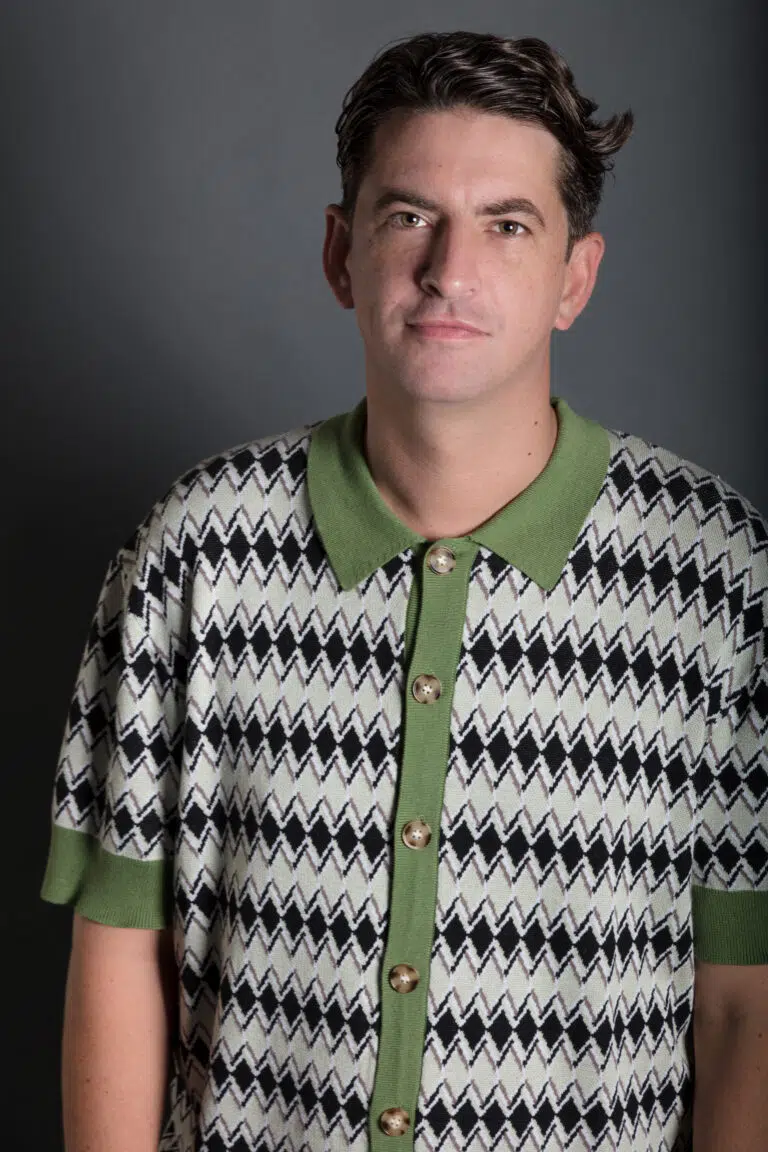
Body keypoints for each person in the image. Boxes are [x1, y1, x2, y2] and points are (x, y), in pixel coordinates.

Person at [40, 28, 767, 1152]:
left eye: (508, 225)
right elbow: (119, 956)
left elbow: (742, 1011)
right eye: (409, 215)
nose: (449, 270)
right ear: (342, 253)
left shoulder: (717, 578)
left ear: (575, 277)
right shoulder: (192, 553)